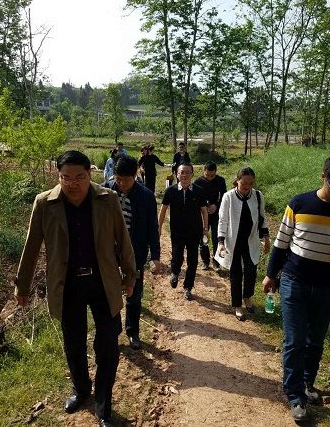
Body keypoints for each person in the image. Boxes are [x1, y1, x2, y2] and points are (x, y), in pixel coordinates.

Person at [14, 150, 137, 427]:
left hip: (103, 282)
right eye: (65, 177)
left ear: (89, 174)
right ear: (58, 176)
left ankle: (104, 405)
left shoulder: (107, 199)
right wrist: (22, 286)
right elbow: (31, 247)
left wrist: (130, 275)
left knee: (108, 345)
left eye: (79, 177)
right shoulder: (45, 203)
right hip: (67, 284)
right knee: (74, 343)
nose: (72, 184)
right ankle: (81, 390)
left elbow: (123, 239)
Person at [263, 154, 330, 422]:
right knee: (295, 340)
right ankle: (295, 395)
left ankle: (308, 383)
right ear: (323, 177)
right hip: (293, 280)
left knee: (315, 341)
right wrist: (270, 275)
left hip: (325, 284)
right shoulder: (299, 203)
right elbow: (281, 243)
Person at [104, 154, 165, 350]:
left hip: (135, 253)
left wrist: (155, 256)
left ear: (135, 175)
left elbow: (152, 228)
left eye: (125, 180)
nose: (121, 183)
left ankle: (133, 332)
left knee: (134, 295)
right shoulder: (105, 191)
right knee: (109, 294)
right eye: (118, 179)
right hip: (108, 254)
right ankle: (112, 332)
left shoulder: (146, 196)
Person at [215, 167, 270, 321]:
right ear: (237, 181)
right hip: (233, 241)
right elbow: (222, 221)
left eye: (251, 183)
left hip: (251, 240)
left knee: (251, 270)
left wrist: (266, 238)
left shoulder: (258, 196)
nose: (247, 186)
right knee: (236, 273)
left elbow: (262, 218)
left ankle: (247, 297)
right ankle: (237, 305)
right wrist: (221, 242)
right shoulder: (228, 197)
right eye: (244, 183)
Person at [159, 162, 208, 301]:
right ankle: (175, 272)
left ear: (192, 174)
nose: (184, 175)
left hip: (195, 231)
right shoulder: (171, 191)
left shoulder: (198, 191)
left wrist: (205, 229)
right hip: (177, 231)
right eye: (182, 172)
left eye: (187, 172)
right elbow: (163, 210)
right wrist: (159, 227)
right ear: (177, 174)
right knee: (177, 256)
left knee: (193, 261)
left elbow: (204, 211)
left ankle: (188, 287)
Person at [193, 161, 227, 271]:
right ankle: (205, 261)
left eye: (212, 175)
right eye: (207, 175)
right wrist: (203, 207)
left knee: (217, 239)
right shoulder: (198, 182)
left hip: (217, 214)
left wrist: (216, 205)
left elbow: (224, 197)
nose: (210, 177)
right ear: (203, 171)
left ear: (216, 172)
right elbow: (195, 198)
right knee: (203, 238)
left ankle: (216, 262)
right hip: (203, 214)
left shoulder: (220, 181)